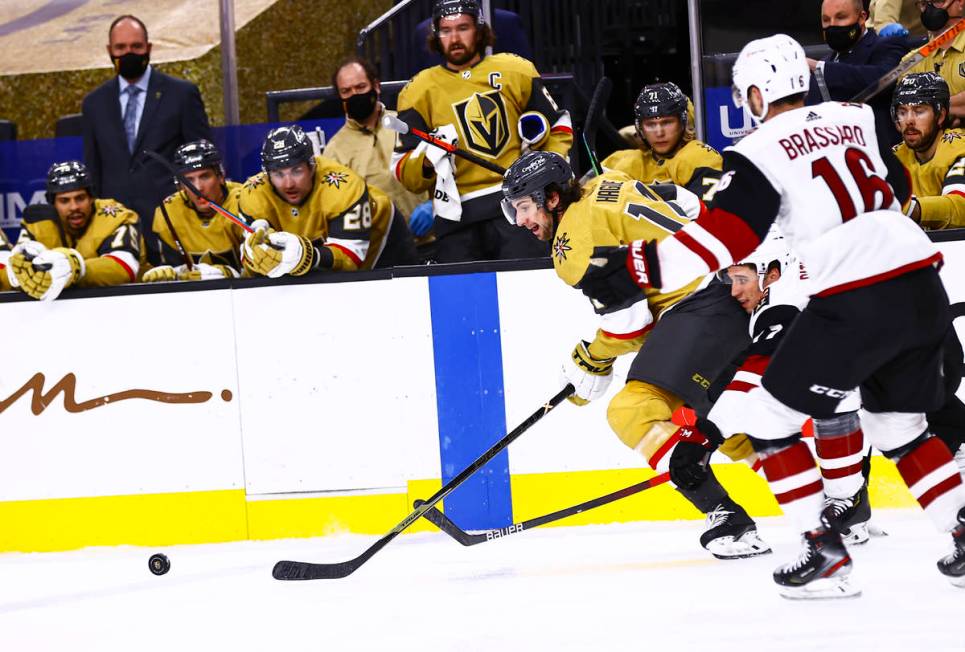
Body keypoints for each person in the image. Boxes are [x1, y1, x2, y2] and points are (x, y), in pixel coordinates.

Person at [575, 34, 965, 597]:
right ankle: (959, 531)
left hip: (858, 293)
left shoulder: (759, 149)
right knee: (897, 424)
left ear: (757, 93)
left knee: (765, 421)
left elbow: (726, 236)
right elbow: (898, 186)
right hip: (921, 280)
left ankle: (822, 551)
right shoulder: (860, 117)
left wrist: (636, 263)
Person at [501, 151, 771, 560]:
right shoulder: (609, 180)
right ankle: (834, 498)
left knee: (631, 411)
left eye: (524, 207)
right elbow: (688, 203)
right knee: (731, 427)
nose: (521, 221)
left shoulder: (572, 244)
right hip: (730, 293)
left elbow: (631, 327)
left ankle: (726, 519)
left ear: (553, 199)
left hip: (698, 307)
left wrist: (593, 357)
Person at [393, 0, 572, 263]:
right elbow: (403, 171)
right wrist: (428, 158)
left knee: (526, 294)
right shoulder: (417, 92)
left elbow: (558, 125)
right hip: (457, 217)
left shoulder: (516, 70)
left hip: (518, 206)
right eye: (445, 30)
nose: (454, 38)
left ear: (479, 30)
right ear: (435, 35)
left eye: (463, 28)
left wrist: (545, 177)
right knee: (464, 301)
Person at [81, 15, 212, 263]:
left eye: (136, 47)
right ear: (110, 51)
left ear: (148, 48)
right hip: (117, 229)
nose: (128, 53)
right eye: (121, 48)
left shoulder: (181, 94)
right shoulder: (93, 104)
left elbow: (203, 159)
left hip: (172, 223)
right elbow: (94, 169)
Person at [238, 125, 396, 277]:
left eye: (297, 171)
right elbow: (250, 266)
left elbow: (350, 259)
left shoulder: (344, 188)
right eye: (278, 174)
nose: (288, 184)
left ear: (312, 166)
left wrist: (307, 256)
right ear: (267, 175)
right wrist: (254, 254)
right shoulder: (252, 194)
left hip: (381, 239)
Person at [322, 56, 424, 265]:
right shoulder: (334, 151)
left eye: (360, 87)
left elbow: (442, 172)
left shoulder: (406, 125)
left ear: (376, 87)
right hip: (378, 255)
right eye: (346, 91)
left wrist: (435, 206)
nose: (354, 95)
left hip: (428, 243)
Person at [5, 161, 143, 301]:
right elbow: (15, 272)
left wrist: (77, 268)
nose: (74, 207)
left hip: (124, 305)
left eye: (80, 198)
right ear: (52, 203)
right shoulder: (37, 223)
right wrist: (20, 274)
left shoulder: (116, 217)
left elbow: (124, 268)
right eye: (64, 201)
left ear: (91, 197)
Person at [806, 0, 910, 146]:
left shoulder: (886, 45)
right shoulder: (824, 62)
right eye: (826, 20)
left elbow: (885, 79)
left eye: (841, 17)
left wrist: (820, 67)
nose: (832, 24)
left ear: (862, 18)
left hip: (878, 152)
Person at [142, 140, 245, 282]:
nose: (198, 188)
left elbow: (261, 268)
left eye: (205, 176)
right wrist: (175, 272)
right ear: (180, 185)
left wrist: (229, 273)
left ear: (220, 176)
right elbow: (171, 265)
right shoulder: (169, 211)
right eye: (188, 180)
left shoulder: (244, 201)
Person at [600, 83, 723, 199]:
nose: (659, 133)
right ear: (640, 128)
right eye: (651, 124)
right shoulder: (620, 161)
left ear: (683, 122)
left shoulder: (699, 157)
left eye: (667, 122)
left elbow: (711, 214)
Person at [891, 72, 965, 228]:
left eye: (919, 111)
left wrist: (910, 208)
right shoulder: (893, 157)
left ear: (941, 115)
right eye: (902, 112)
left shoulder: (959, 149)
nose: (909, 120)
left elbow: (960, 206)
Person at [900, 0, 965, 123]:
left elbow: (921, 110)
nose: (930, 9)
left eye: (937, 1)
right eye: (924, 4)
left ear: (960, 2)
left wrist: (930, 106)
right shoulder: (911, 61)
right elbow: (907, 112)